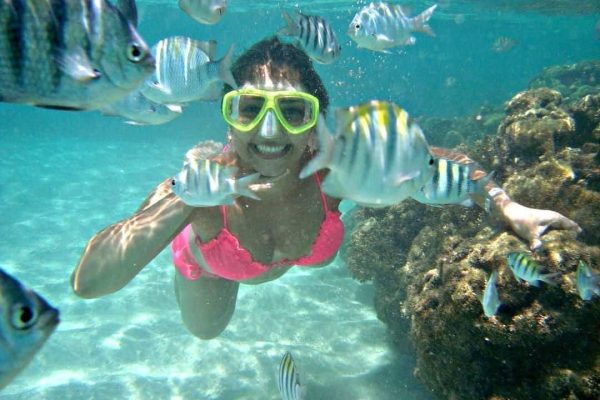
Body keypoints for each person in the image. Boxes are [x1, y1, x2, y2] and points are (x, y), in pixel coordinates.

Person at [70, 37, 580, 340]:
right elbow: (89, 282)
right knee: (206, 331)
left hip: (271, 251)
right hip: (210, 267)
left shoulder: (334, 175)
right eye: (250, 109)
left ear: (314, 125)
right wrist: (185, 199)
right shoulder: (202, 187)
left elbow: (448, 163)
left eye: (292, 112)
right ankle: (188, 258)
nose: (269, 133)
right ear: (230, 118)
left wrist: (509, 208)